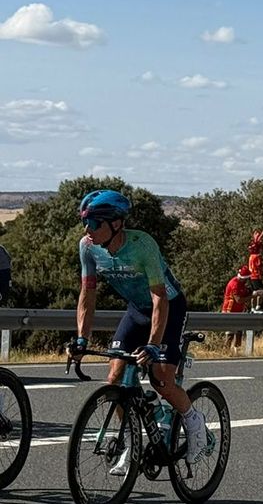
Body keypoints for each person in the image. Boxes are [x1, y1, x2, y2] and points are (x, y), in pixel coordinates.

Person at [70, 189, 210, 459]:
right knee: (115, 378)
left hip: (168, 307)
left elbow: (160, 298)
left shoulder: (142, 245)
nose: (88, 228)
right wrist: (81, 340)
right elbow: (87, 295)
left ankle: (195, 423)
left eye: (95, 222)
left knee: (161, 381)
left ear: (116, 223)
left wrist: (154, 345)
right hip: (136, 311)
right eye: (85, 221)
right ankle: (132, 440)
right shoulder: (87, 247)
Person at [221, 265, 251, 352]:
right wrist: (252, 296)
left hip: (239, 311)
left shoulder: (242, 284)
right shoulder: (234, 284)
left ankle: (237, 351)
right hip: (229, 311)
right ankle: (226, 352)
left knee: (239, 332)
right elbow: (239, 300)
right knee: (230, 333)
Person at [247, 229, 263, 312]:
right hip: (256, 276)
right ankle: (257, 306)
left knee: (256, 292)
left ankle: (253, 307)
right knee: (261, 292)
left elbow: (256, 241)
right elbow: (260, 266)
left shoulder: (251, 256)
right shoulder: (256, 256)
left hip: (252, 276)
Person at [0, 239, 11, 306]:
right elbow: (9, 258)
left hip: (3, 270)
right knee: (5, 290)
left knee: (4, 290)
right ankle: (4, 303)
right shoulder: (1, 247)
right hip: (6, 270)